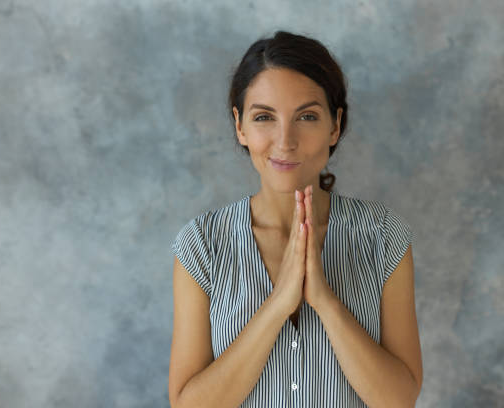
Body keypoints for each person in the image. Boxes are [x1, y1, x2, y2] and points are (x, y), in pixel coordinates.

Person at [168, 30, 423, 408]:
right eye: (264, 117)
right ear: (240, 126)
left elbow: (399, 400)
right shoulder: (202, 245)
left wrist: (324, 300)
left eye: (306, 116)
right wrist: (277, 305)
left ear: (334, 125)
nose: (285, 140)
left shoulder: (383, 238)